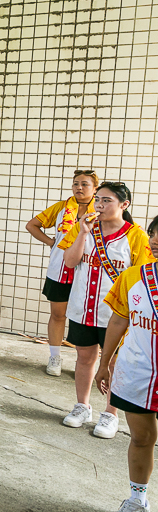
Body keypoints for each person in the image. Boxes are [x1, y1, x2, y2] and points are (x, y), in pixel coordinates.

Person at [59, 181, 152, 438]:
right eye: (97, 199)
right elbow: (69, 261)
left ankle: (111, 413)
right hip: (82, 308)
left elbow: (142, 276)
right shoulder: (84, 227)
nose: (99, 204)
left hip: (116, 315)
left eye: (107, 200)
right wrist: (83, 233)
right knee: (85, 358)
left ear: (124, 205)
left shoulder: (136, 236)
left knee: (114, 363)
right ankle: (82, 406)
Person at [95, 215, 158, 512]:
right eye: (154, 232)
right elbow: (119, 321)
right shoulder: (133, 276)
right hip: (137, 372)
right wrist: (104, 362)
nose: (156, 238)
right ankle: (137, 501)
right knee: (142, 437)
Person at [26, 170, 98, 376]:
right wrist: (52, 243)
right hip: (60, 270)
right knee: (58, 315)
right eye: (76, 183)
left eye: (85, 184)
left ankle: (85, 363)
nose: (79, 187)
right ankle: (54, 357)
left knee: (86, 320)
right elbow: (32, 225)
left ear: (95, 188)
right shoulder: (61, 208)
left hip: (88, 274)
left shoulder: (101, 210)